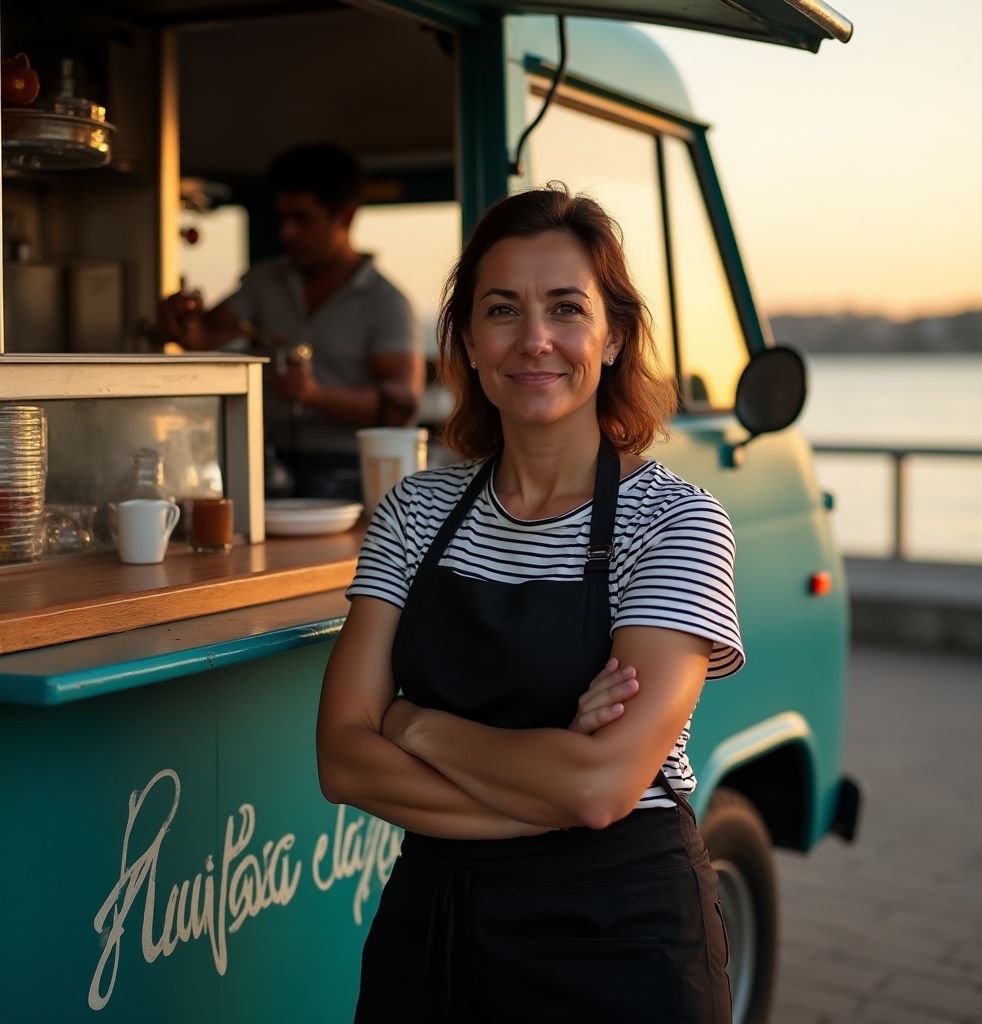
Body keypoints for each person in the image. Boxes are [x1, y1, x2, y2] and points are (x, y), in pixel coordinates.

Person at [316, 186, 744, 1023]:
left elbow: (600, 789)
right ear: (469, 343)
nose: (535, 339)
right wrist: (547, 781)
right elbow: (339, 761)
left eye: (566, 308)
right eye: (502, 310)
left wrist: (413, 726)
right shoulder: (413, 512)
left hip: (621, 936)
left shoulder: (680, 524)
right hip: (433, 932)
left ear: (614, 336)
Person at [159, 143, 423, 499]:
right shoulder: (264, 282)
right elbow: (202, 334)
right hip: (263, 464)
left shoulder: (386, 301)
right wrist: (182, 321)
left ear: (344, 216)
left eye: (303, 219)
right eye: (283, 218)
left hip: (350, 472)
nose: (287, 233)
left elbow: (402, 406)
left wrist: (316, 395)